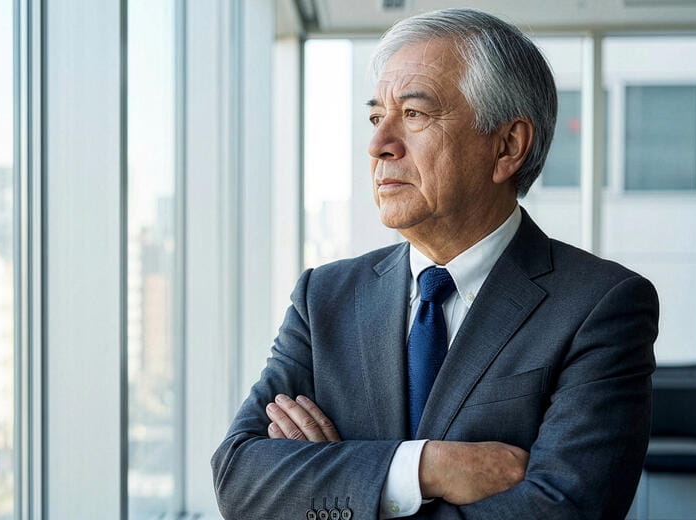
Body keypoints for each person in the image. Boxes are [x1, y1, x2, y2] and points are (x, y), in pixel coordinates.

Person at [212, 8, 658, 519]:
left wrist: (342, 481)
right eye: (377, 116)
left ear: (508, 146)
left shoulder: (601, 305)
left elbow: (565, 511)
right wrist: (423, 467)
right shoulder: (325, 296)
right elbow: (240, 479)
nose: (378, 145)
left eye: (415, 114)